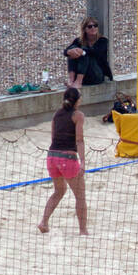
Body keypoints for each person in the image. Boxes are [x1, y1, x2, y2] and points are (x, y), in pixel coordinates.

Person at [38, 87, 88, 236]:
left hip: (52, 156)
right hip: (68, 158)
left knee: (58, 191)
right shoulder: (78, 115)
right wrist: (83, 161)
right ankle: (83, 230)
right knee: (80, 196)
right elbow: (79, 140)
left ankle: (44, 222)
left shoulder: (56, 114)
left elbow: (54, 137)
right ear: (77, 100)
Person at [63, 16, 112, 89]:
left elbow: (96, 52)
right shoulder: (78, 41)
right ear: (84, 29)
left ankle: (78, 82)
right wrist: (69, 51)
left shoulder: (102, 41)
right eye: (90, 26)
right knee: (73, 52)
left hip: (96, 75)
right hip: (84, 76)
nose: (93, 28)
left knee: (84, 52)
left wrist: (82, 52)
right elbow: (65, 52)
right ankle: (71, 80)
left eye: (95, 26)